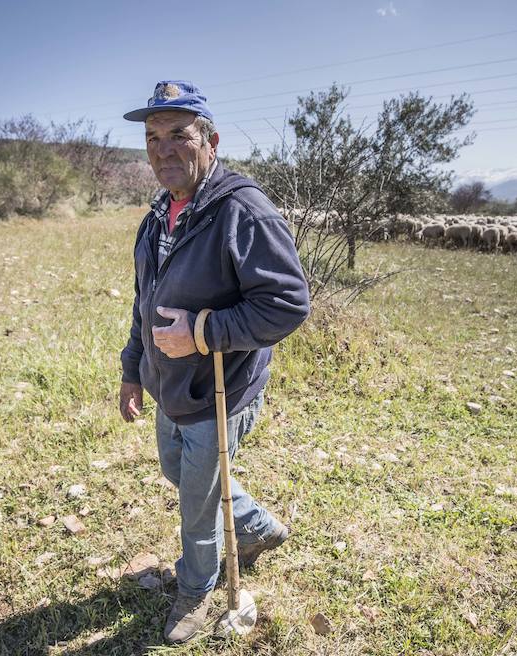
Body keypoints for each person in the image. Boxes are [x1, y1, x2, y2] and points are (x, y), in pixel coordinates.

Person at [119, 80, 310, 644]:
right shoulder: (159, 215)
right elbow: (144, 302)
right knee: (180, 475)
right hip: (168, 383)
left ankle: (197, 591)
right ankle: (258, 526)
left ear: (211, 141)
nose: (163, 150)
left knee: (196, 507)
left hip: (220, 385)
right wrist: (133, 369)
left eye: (179, 135)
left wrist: (203, 332)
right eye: (153, 138)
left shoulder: (243, 211)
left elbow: (287, 304)